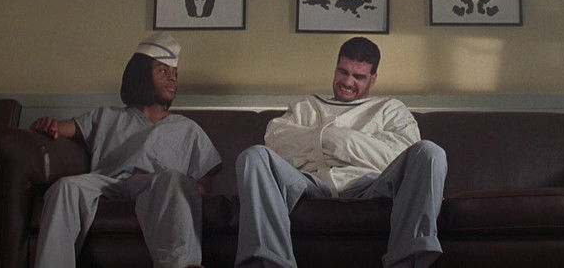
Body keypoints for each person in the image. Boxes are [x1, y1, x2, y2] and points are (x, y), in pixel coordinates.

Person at [235, 37, 447, 268]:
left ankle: (406, 263)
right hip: (308, 183)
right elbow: (277, 143)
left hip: (371, 184)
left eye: (359, 77)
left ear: (373, 79)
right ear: (335, 68)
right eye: (343, 72)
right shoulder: (306, 106)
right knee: (253, 156)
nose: (347, 82)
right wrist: (345, 142)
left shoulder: (391, 109)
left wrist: (330, 140)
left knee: (430, 152)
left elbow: (398, 156)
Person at [30, 32, 221, 268]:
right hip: (107, 183)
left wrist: (175, 190)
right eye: (163, 71)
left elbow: (203, 187)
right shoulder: (107, 116)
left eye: (175, 73)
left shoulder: (188, 128)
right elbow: (60, 128)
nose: (172, 78)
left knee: (174, 179)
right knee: (65, 187)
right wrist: (48, 125)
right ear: (141, 76)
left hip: (154, 187)